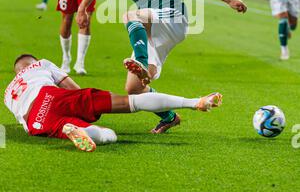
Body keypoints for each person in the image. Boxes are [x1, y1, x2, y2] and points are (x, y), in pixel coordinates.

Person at [76, 0, 247, 134]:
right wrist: (82, 8)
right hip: (150, 27)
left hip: (172, 18)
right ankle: (169, 116)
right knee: (134, 89)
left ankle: (144, 65)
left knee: (130, 15)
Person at [4, 54, 223, 152]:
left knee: (106, 135)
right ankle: (195, 102)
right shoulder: (40, 64)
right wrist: (88, 102)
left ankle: (77, 130)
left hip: (35, 121)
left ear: (17, 72)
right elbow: (72, 89)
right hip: (51, 96)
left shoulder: (7, 93)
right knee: (132, 101)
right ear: (31, 64)